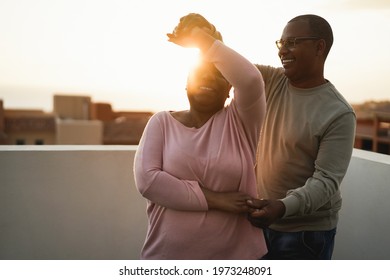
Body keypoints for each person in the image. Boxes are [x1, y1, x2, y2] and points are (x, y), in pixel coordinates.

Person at [133, 13, 267, 260]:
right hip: (166, 258)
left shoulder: (241, 121)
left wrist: (199, 38)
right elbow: (149, 182)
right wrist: (217, 200)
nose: (207, 78)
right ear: (186, 83)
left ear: (229, 88)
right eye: (200, 73)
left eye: (217, 74)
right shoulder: (161, 122)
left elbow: (250, 79)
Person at [247, 14, 356, 260]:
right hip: (261, 224)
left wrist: (282, 207)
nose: (283, 51)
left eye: (293, 42)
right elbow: (233, 67)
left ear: (319, 47)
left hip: (305, 235)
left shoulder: (339, 112)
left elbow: (326, 181)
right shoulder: (274, 80)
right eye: (281, 43)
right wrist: (205, 40)